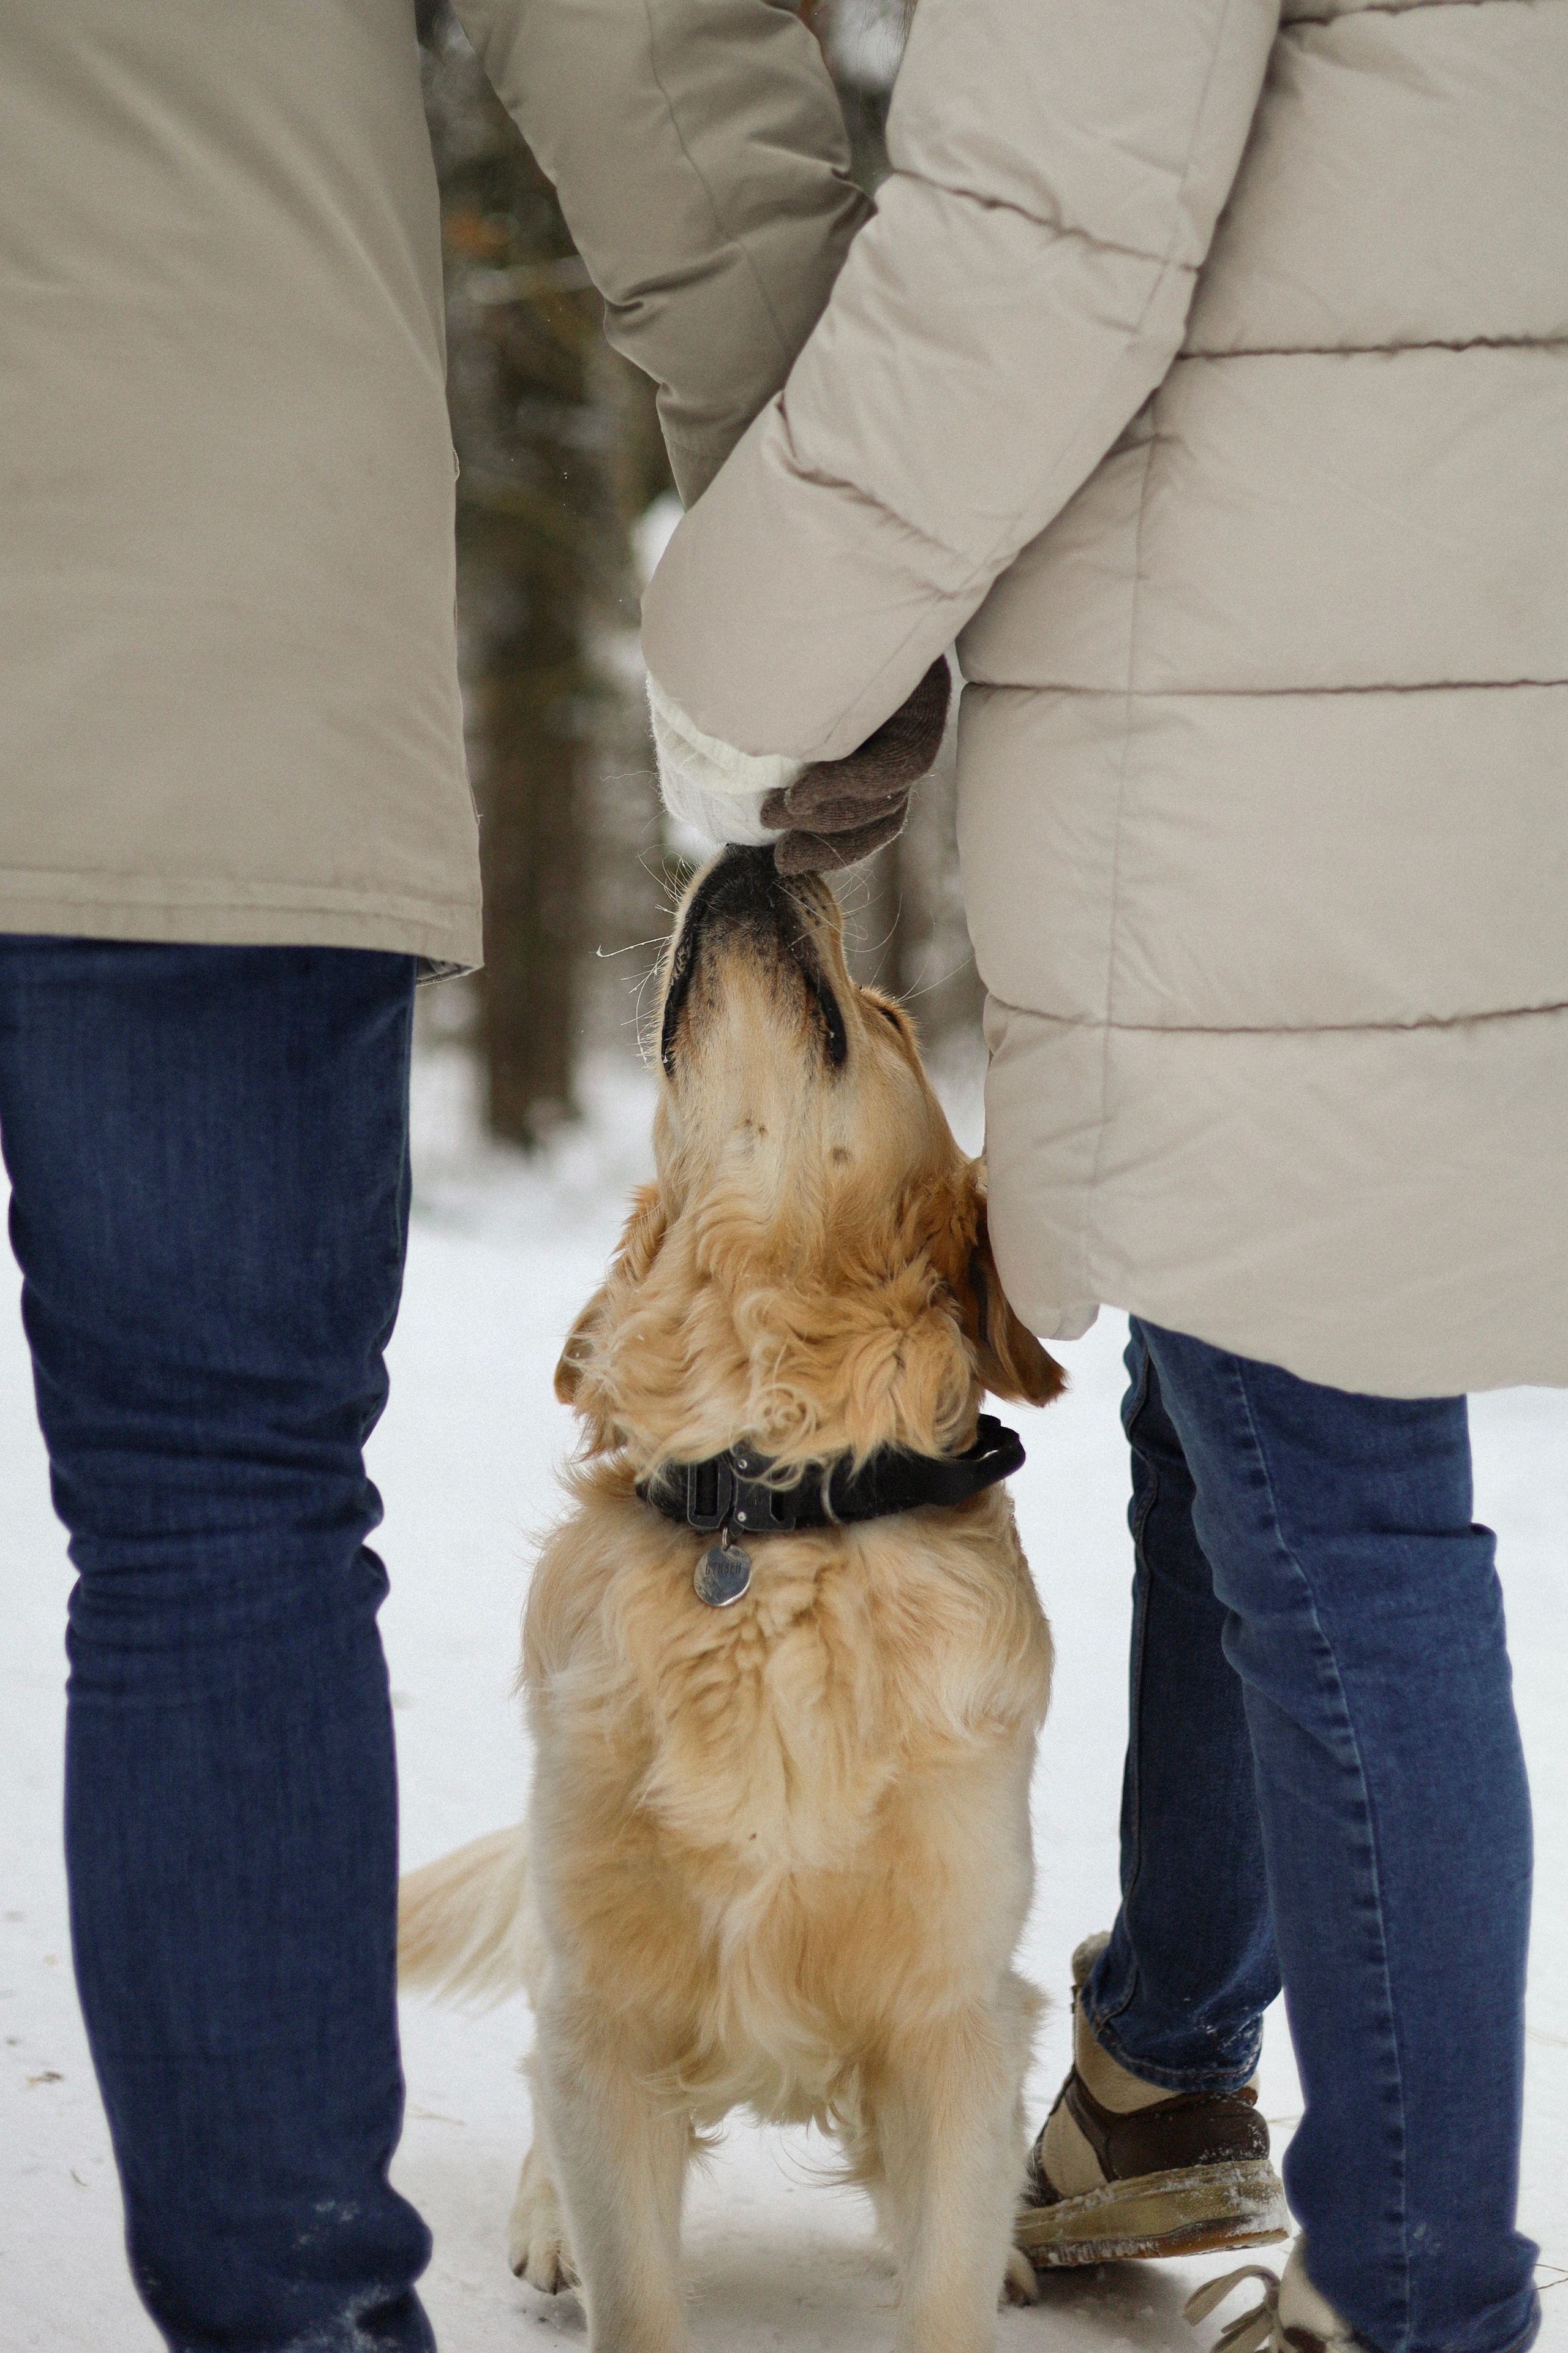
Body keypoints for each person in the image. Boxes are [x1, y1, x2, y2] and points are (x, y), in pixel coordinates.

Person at [639, 0, 1566, 2347]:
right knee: (1235, 1402)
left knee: (1337, 1504)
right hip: (1459, 662)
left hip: (1280, 719)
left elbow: (1040, 244)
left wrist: (749, 655)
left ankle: (1420, 2289)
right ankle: (1161, 2072)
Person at [0, 3, 893, 2344]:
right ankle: (292, 2310)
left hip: (226, 646)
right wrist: (845, 541)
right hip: (219, 624)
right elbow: (657, 63)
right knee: (215, 1513)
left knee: (218, 1513)